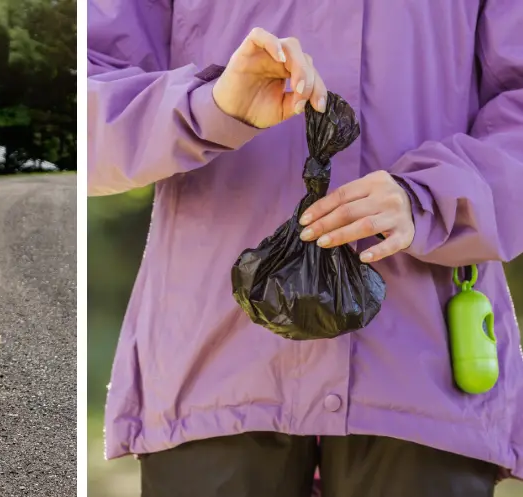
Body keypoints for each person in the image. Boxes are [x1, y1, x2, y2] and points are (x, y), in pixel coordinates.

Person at [88, 1, 523, 496]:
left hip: (423, 367)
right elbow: (86, 104)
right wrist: (210, 106)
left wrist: (435, 196)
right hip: (216, 367)